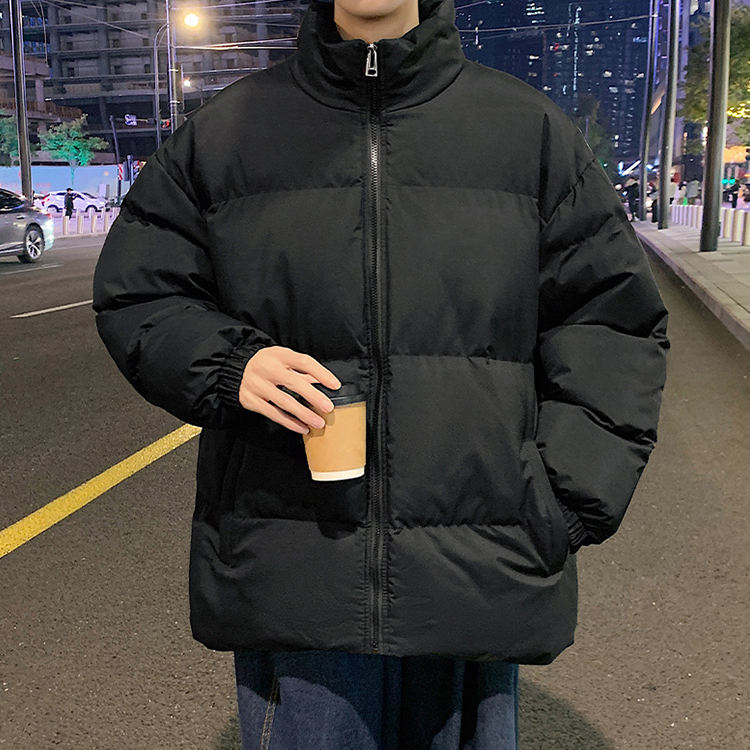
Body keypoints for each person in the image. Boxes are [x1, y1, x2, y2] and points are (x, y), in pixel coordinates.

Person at [91, 0, 670, 746]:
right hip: (293, 560)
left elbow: (612, 322)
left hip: (478, 565)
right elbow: (140, 291)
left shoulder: (527, 132)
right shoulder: (226, 131)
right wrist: (230, 363)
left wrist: (560, 504)